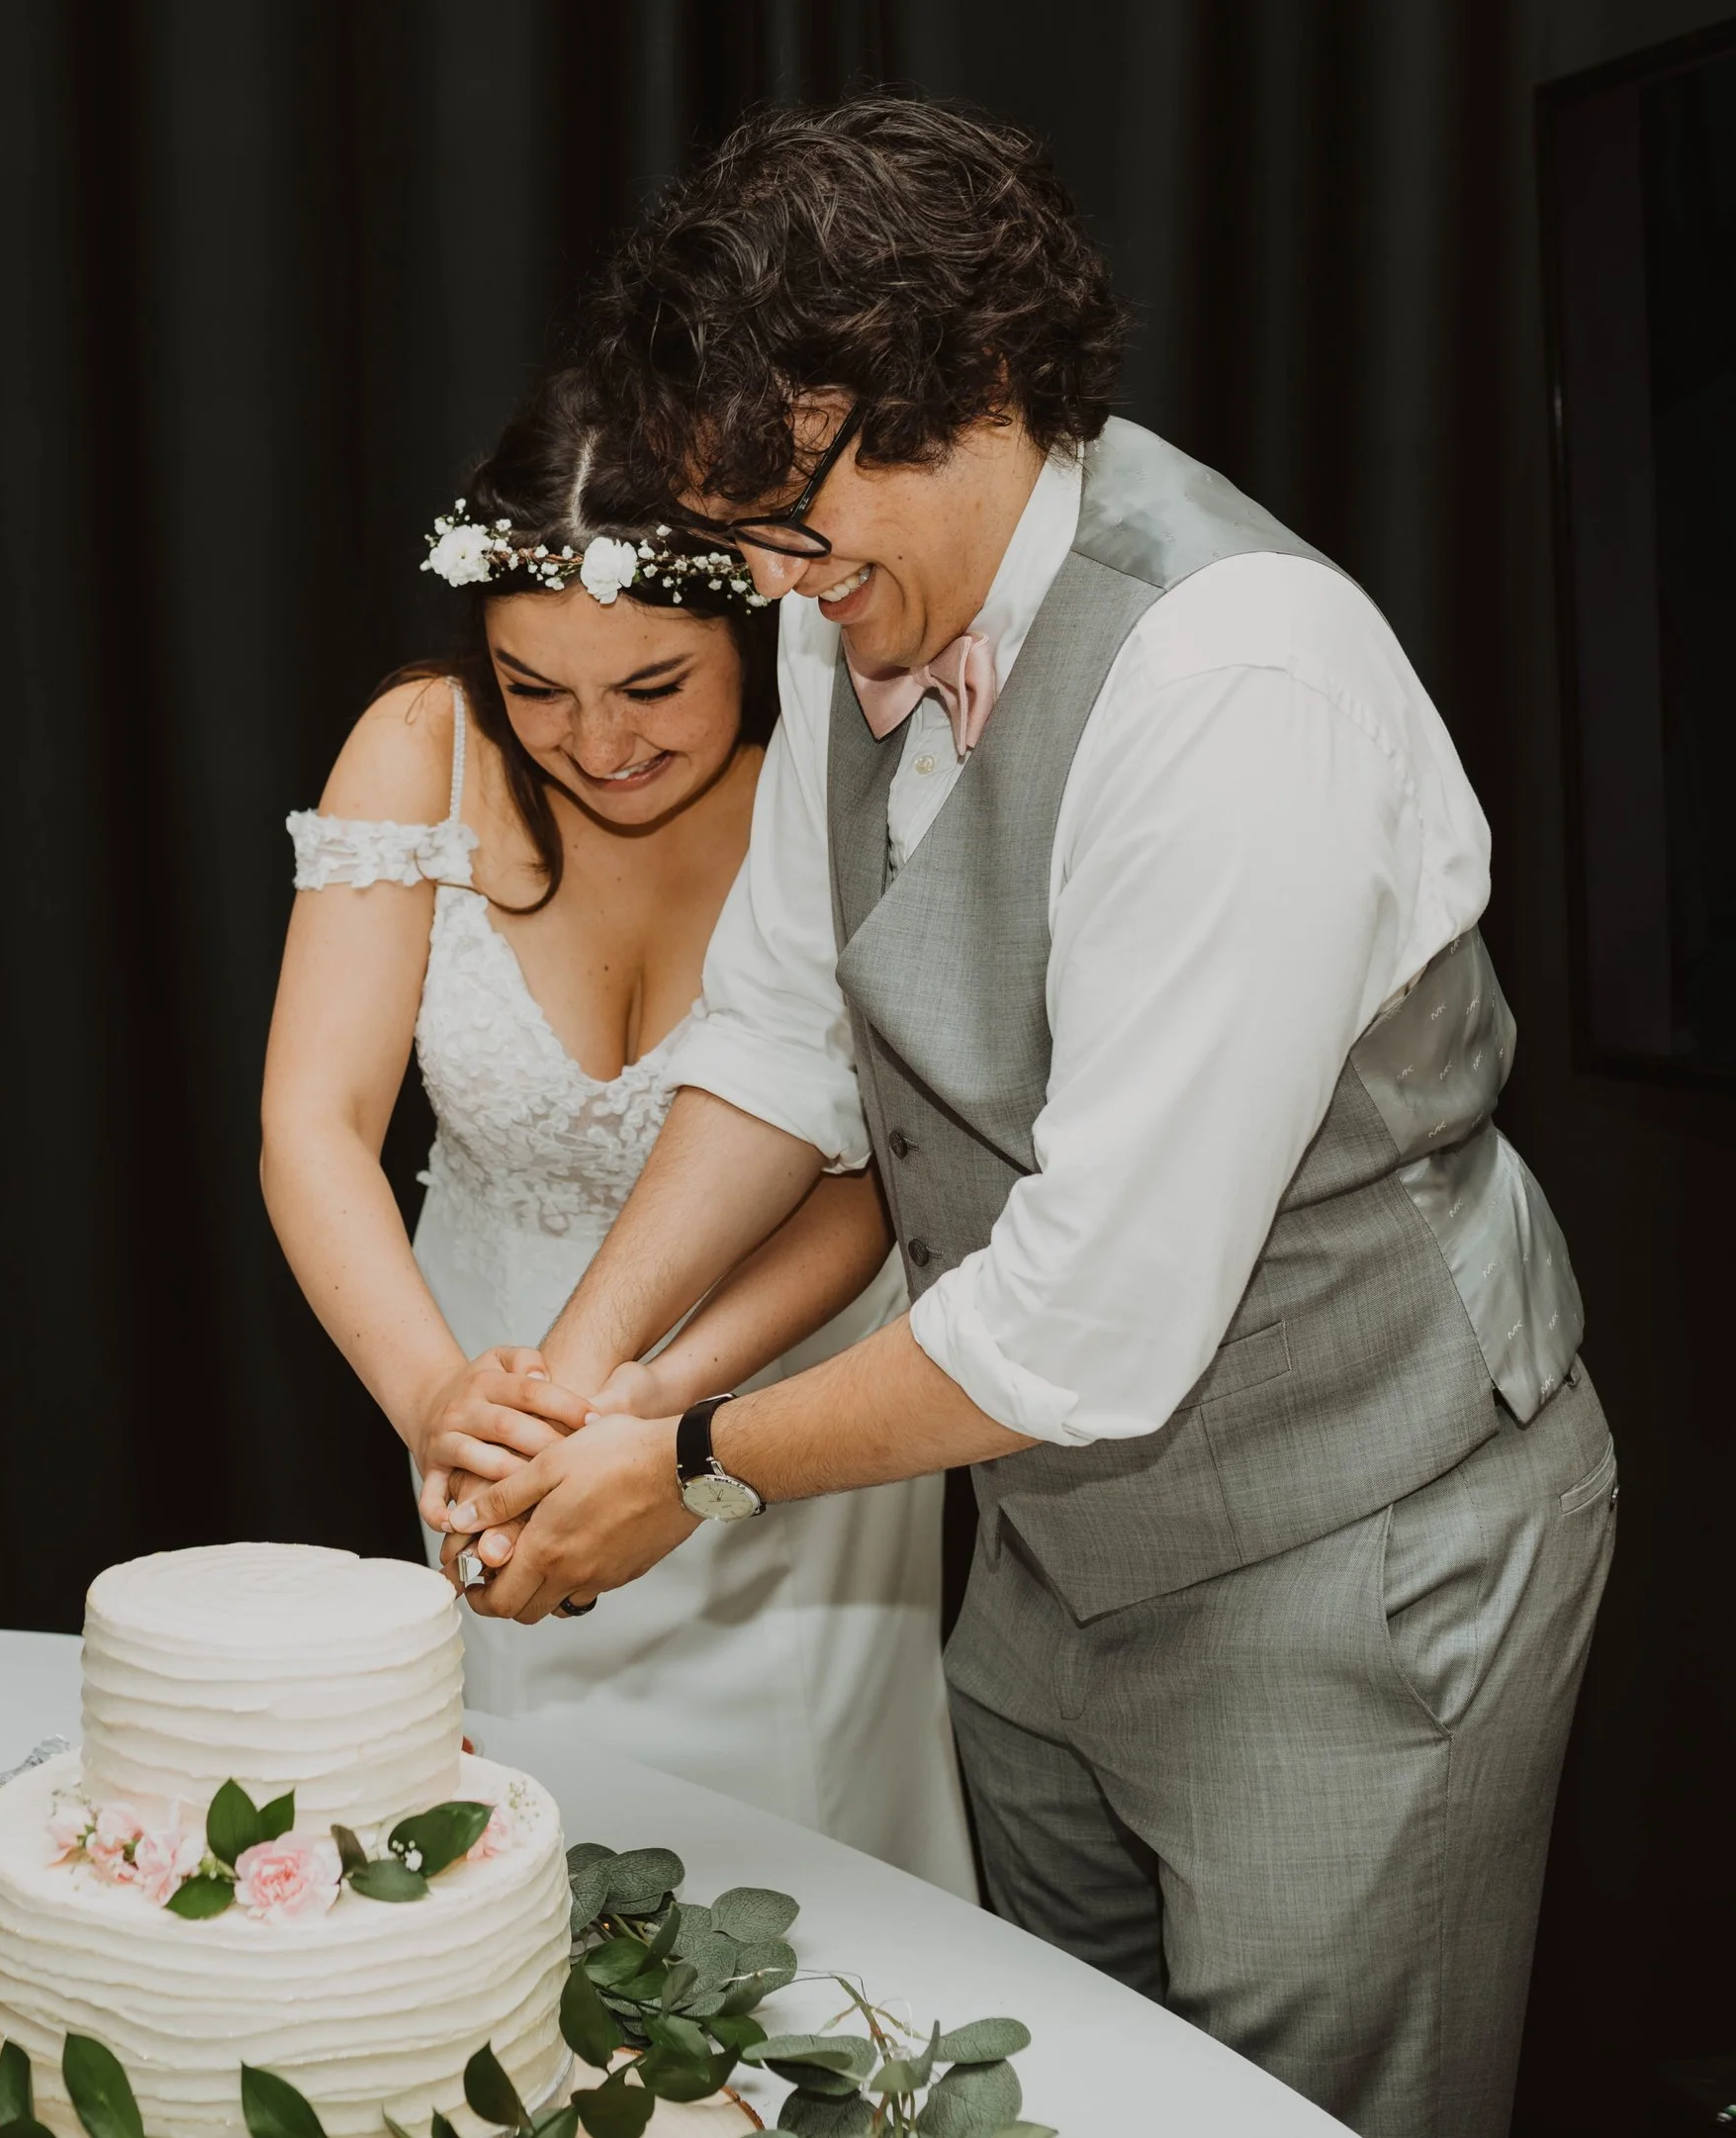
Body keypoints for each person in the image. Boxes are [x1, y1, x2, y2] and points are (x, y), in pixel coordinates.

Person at [438, 98, 1613, 2138]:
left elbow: (1084, 1321)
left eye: (795, 526)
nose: (779, 590)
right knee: (1042, 2097)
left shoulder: (1235, 682)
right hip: (1054, 1563)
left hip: (1354, 1566)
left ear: (967, 398)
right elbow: (786, 1031)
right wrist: (576, 1370)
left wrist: (689, 1470)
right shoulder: (842, 599)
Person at [260, 368, 974, 1892]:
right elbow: (314, 1122)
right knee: (512, 1866)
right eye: (537, 688)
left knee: (805, 1874)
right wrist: (440, 1396)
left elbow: (874, 1184)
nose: (596, 742)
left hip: (779, 1388)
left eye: (654, 686)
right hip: (490, 1393)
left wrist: (654, 1406)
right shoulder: (421, 747)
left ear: (754, 623)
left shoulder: (855, 771)